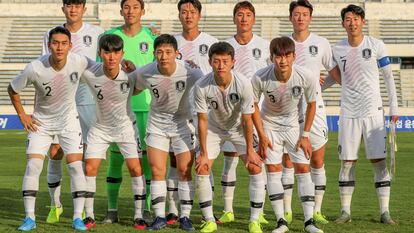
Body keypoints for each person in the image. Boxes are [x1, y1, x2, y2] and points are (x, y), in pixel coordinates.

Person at [9, 27, 89, 231]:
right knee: (34, 166)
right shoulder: (35, 67)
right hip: (41, 124)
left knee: (75, 167)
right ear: (49, 44)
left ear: (70, 45)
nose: (59, 47)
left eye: (64, 43)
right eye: (55, 43)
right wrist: (22, 115)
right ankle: (30, 218)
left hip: (69, 122)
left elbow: (100, 70)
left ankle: (77, 218)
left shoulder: (79, 61)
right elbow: (13, 89)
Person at [330, 4, 398, 225]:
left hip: (373, 112)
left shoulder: (376, 45)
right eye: (348, 19)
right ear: (343, 24)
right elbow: (334, 76)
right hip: (349, 112)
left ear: (363, 21)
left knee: (379, 161)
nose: (352, 22)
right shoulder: (337, 49)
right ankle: (345, 212)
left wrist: (393, 108)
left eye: (356, 18)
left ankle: (385, 212)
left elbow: (388, 78)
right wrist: (315, 85)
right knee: (347, 162)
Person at [131, 34, 204, 231]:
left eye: (168, 52)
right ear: (154, 54)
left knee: (183, 171)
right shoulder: (145, 72)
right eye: (160, 52)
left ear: (177, 54)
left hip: (183, 125)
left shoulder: (192, 73)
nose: (164, 56)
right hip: (157, 126)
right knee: (157, 171)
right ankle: (160, 217)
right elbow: (134, 89)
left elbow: (206, 88)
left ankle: (185, 217)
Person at [252, 36, 324, 233]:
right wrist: (261, 135)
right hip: (269, 126)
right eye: (278, 56)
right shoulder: (260, 76)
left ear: (294, 56)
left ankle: (309, 221)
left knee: (303, 168)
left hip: (293, 126)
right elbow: (253, 106)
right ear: (271, 57)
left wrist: (306, 135)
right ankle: (281, 221)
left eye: (286, 56)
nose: (282, 60)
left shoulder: (305, 76)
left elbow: (311, 104)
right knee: (274, 170)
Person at [41, 0, 104, 224]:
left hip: (87, 96)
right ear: (63, 9)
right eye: (69, 5)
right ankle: (55, 205)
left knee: (87, 153)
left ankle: (88, 211)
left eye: (78, 5)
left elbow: (104, 62)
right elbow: (45, 66)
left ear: (84, 9)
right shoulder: (52, 33)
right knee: (56, 150)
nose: (73, 9)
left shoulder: (97, 33)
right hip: (61, 97)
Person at [194, 41, 265, 233]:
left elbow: (248, 119)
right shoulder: (201, 86)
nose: (220, 66)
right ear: (210, 62)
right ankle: (209, 220)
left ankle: (254, 220)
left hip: (238, 128)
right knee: (202, 168)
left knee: (255, 166)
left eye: (225, 61)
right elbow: (201, 120)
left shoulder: (243, 84)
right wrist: (203, 152)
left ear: (233, 62)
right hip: (213, 129)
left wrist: (250, 150)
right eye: (216, 61)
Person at [281, 0, 341, 225]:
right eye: (296, 14)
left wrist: (318, 87)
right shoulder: (283, 43)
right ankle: (286, 210)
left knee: (317, 159)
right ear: (290, 18)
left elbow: (335, 74)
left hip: (315, 108)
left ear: (310, 18)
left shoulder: (322, 43)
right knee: (288, 159)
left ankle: (316, 210)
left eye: (304, 14)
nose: (300, 18)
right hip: (288, 108)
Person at [80, 34, 147, 230]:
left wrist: (135, 71)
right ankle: (89, 215)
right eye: (107, 52)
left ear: (122, 54)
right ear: (100, 53)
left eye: (116, 52)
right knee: (90, 168)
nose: (111, 57)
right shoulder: (90, 73)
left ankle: (138, 215)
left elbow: (139, 88)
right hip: (100, 128)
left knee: (136, 168)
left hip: (126, 127)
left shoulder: (131, 75)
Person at [101, 0, 157, 223]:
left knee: (146, 162)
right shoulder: (110, 36)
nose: (131, 11)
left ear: (142, 11)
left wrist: (138, 72)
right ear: (121, 10)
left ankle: (147, 208)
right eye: (127, 7)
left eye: (135, 7)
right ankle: (111, 210)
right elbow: (101, 70)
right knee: (115, 160)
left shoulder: (152, 37)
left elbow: (158, 70)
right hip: (118, 108)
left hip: (146, 106)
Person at [164, 0, 218, 224]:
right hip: (177, 112)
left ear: (199, 15)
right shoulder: (171, 42)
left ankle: (209, 211)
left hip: (204, 112)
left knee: (206, 159)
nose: (188, 15)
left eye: (192, 12)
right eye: (184, 12)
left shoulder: (212, 42)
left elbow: (217, 75)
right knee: (176, 162)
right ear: (178, 15)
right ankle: (173, 209)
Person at [221, 1, 270, 224]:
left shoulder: (264, 45)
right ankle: (228, 210)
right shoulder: (224, 45)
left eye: (248, 15)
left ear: (253, 19)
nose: (243, 19)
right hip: (229, 113)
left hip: (256, 112)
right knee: (229, 159)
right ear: (234, 19)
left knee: (258, 161)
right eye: (239, 15)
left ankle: (258, 213)